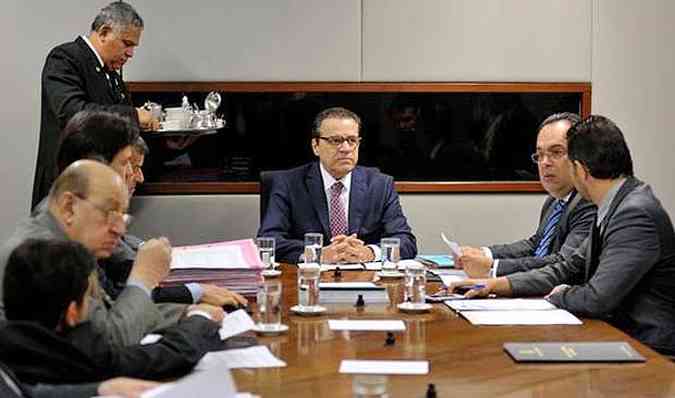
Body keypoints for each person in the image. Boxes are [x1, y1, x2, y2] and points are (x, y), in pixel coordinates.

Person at [450, 115, 675, 355]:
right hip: (618, 337)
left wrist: (560, 294)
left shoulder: (633, 213)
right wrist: (495, 285)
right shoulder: (616, 204)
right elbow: (569, 266)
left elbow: (597, 298)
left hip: (649, 351)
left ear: (579, 169)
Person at [0, 160, 180, 347]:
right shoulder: (42, 256)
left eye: (122, 216)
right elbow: (107, 342)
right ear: (69, 207)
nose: (119, 229)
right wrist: (143, 277)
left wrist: (191, 314)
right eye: (110, 213)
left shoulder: (70, 242)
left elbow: (109, 315)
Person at [0, 238, 224, 385]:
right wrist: (200, 318)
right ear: (72, 312)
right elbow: (171, 355)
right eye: (91, 297)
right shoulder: (79, 353)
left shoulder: (10, 347)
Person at [32, 1, 159, 209]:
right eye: (126, 44)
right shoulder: (64, 58)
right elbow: (72, 113)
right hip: (68, 192)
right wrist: (133, 116)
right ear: (104, 32)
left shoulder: (112, 72)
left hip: (97, 194)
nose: (130, 54)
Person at [258, 107, 417, 263]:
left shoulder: (380, 184)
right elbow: (268, 240)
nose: (346, 149)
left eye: (352, 140)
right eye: (336, 141)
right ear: (316, 146)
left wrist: (369, 252)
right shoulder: (289, 183)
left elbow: (406, 241)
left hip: (364, 280)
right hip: (309, 280)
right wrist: (317, 253)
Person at [456, 113, 596, 277]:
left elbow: (563, 262)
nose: (545, 162)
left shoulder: (588, 202)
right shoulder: (555, 200)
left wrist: (494, 266)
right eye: (540, 155)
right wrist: (484, 253)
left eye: (556, 152)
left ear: (580, 155)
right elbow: (536, 245)